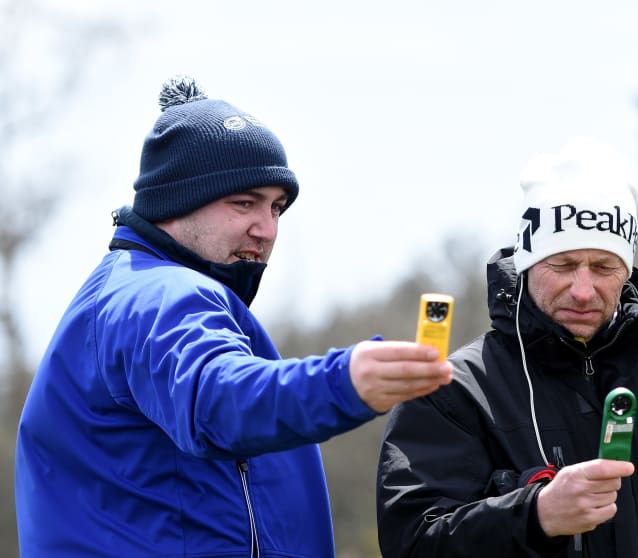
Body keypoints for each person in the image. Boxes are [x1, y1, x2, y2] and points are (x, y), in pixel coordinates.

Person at [14, 76, 453, 557]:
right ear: (176, 201)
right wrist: (340, 382)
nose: (266, 229)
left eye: (277, 208)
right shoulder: (159, 294)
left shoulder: (137, 291)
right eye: (243, 202)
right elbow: (218, 398)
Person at [376, 136, 638, 557]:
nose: (583, 290)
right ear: (526, 264)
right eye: (563, 264)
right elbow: (413, 543)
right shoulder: (453, 392)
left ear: (627, 271)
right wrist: (534, 514)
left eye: (603, 267)